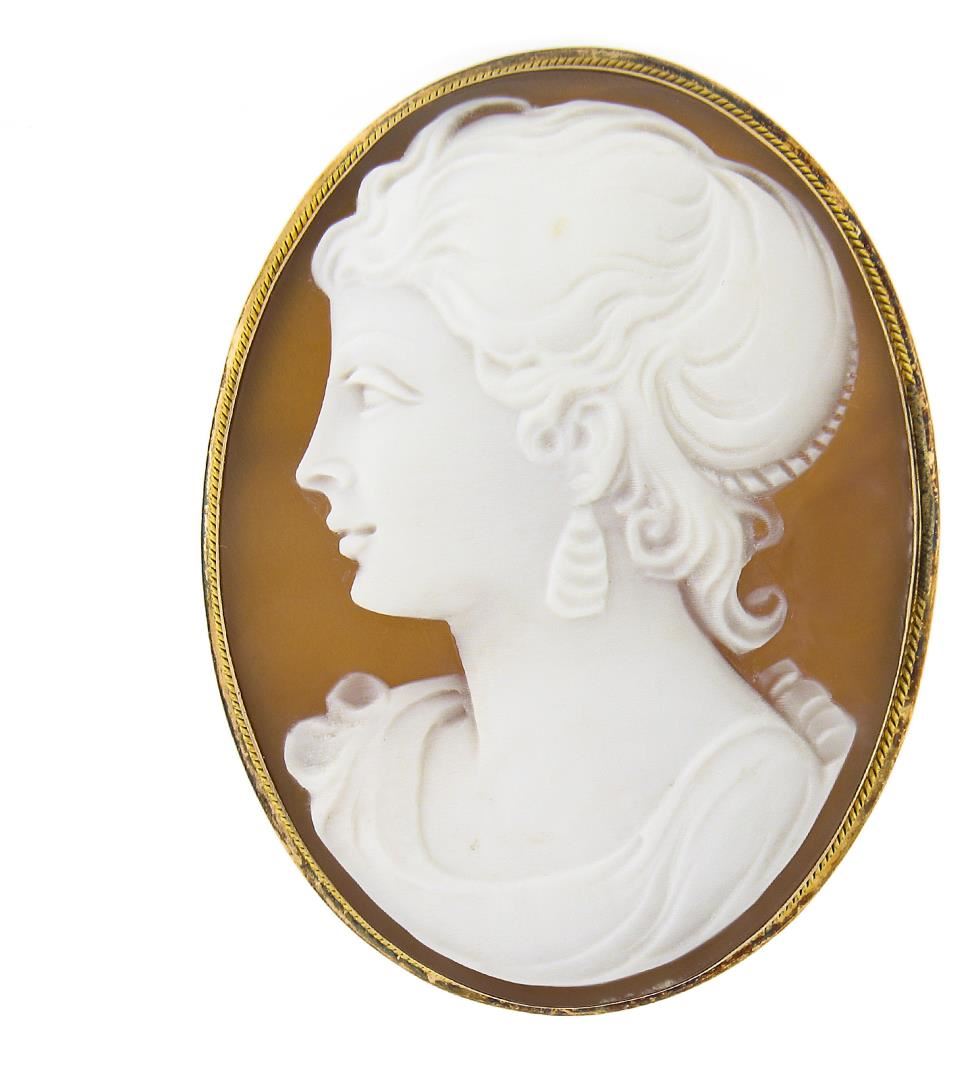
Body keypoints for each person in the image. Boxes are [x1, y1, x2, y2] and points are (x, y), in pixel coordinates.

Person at [285, 97, 857, 986]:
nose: (313, 465)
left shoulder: (756, 821)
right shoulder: (367, 780)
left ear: (584, 441)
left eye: (374, 391)